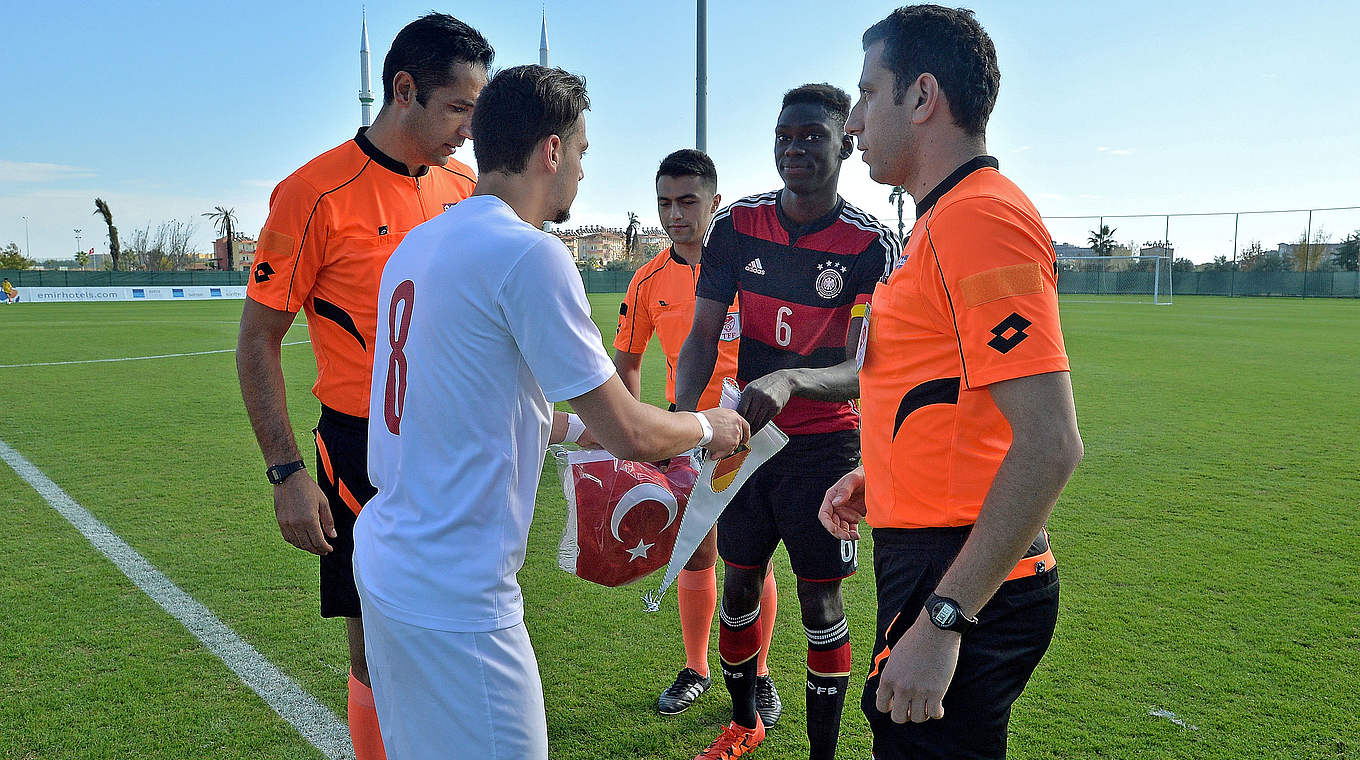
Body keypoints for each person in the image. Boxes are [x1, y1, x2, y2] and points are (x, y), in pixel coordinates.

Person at [352, 65, 750, 760]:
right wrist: (705, 428)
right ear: (552, 151)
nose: (583, 174)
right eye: (584, 152)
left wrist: (564, 428)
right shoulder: (528, 254)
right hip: (457, 587)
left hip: (388, 559)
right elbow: (629, 425)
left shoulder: (418, 243)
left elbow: (462, 397)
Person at [819, 6, 1084, 759]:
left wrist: (945, 620)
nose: (855, 122)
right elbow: (957, 400)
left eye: (868, 93)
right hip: (936, 556)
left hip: (963, 577)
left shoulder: (979, 220)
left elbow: (1051, 443)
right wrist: (885, 476)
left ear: (923, 96)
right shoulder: (941, 222)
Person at [234, 14, 492, 760]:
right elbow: (257, 342)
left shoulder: (465, 186)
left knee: (467, 624)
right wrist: (285, 472)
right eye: (458, 109)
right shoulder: (312, 192)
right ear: (403, 90)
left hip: (456, 448)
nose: (470, 131)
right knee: (372, 637)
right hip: (361, 450)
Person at [675, 84, 898, 760]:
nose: (794, 148)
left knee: (820, 604)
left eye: (811, 136)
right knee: (738, 585)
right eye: (784, 136)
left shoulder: (869, 242)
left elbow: (870, 366)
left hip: (825, 449)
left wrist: (795, 376)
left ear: (845, 145)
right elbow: (701, 337)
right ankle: (744, 723)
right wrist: (686, 425)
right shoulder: (738, 225)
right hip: (744, 442)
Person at [612, 149, 782, 723]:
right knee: (695, 554)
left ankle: (757, 674)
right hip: (686, 431)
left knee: (752, 560)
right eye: (664, 202)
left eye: (687, 201)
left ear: (714, 200)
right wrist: (636, 431)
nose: (674, 214)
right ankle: (696, 669)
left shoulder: (751, 270)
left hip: (753, 434)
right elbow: (627, 362)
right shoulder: (647, 279)